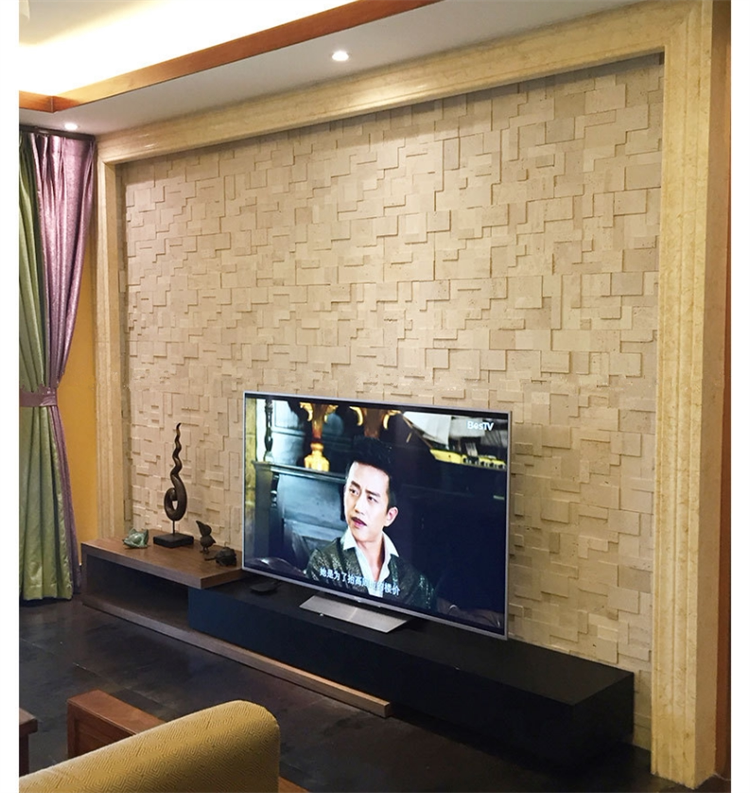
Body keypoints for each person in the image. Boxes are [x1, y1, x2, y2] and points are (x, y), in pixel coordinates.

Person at [305, 437, 435, 610]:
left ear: (390, 516)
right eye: (353, 491)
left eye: (371, 498)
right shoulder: (323, 564)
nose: (359, 507)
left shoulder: (416, 585)